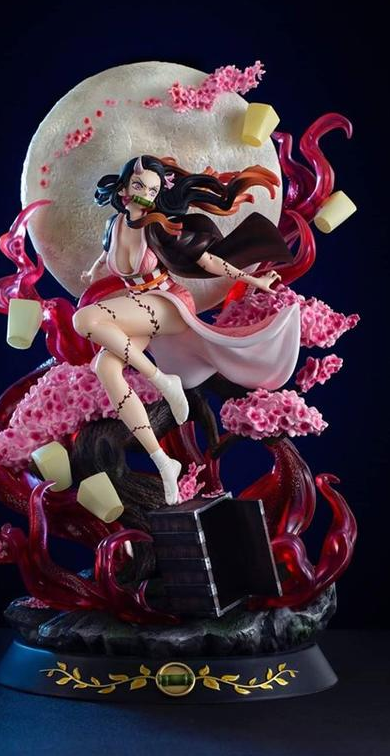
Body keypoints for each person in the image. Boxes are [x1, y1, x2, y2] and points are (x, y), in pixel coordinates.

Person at [73, 155, 301, 505]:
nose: (144, 194)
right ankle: (164, 462)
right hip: (138, 305)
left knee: (84, 320)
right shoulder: (114, 224)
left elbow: (207, 260)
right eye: (138, 186)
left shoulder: (158, 226)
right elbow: (107, 256)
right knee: (105, 367)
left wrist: (254, 279)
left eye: (152, 190)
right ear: (125, 187)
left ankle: (163, 380)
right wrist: (91, 273)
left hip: (167, 301)